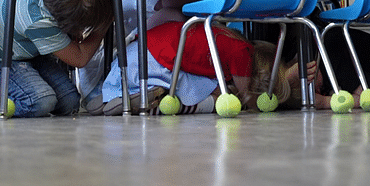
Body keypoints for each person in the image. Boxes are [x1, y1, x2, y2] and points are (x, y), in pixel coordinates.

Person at [0, 0, 114, 117]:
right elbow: (79, 58)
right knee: (41, 102)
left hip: (29, 52)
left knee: (70, 103)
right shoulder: (38, 20)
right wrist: (104, 25)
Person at [86, 20, 302, 115]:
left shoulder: (226, 39)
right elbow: (246, 97)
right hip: (159, 61)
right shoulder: (243, 53)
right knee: (210, 93)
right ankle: (150, 100)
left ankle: (109, 98)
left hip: (138, 53)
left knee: (202, 80)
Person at [280, 8, 370, 110]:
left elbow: (356, 100)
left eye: (315, 88)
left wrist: (325, 102)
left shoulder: (340, 70)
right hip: (352, 52)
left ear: (311, 68)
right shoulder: (303, 50)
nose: (318, 90)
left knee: (362, 94)